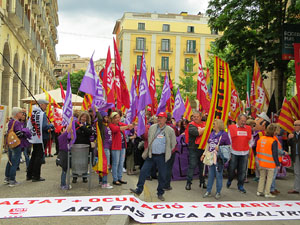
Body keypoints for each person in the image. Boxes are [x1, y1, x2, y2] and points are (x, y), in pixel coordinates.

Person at [130, 112, 176, 201]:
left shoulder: (170, 130)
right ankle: (139, 189)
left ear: (166, 119)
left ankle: (160, 193)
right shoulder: (152, 127)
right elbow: (147, 137)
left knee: (162, 175)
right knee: (143, 171)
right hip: (151, 155)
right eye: (158, 117)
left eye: (162, 118)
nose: (159, 119)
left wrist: (167, 151)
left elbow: (173, 143)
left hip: (162, 156)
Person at [202, 119, 231, 199]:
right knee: (210, 175)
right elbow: (208, 145)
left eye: (214, 124)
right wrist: (204, 154)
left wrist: (220, 148)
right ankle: (208, 191)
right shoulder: (212, 134)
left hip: (219, 158)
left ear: (218, 125)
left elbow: (229, 147)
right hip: (210, 157)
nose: (213, 126)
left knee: (219, 175)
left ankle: (218, 192)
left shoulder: (224, 135)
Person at [27, 99, 54, 182]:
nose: (46, 107)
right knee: (38, 157)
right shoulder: (42, 114)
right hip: (42, 138)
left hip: (35, 138)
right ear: (41, 105)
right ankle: (36, 176)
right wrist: (51, 125)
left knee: (34, 156)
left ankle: (29, 174)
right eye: (45, 105)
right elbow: (44, 127)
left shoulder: (33, 113)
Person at [4, 107, 31, 187]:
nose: (22, 114)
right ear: (17, 114)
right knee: (15, 162)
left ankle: (7, 177)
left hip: (10, 143)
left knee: (10, 161)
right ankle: (12, 180)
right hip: (17, 144)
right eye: (20, 113)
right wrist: (25, 133)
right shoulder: (17, 123)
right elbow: (19, 133)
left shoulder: (11, 121)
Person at [226, 114, 252, 193]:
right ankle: (230, 179)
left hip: (244, 152)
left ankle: (240, 185)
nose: (243, 122)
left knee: (242, 170)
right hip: (234, 151)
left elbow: (251, 140)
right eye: (242, 121)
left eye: (245, 121)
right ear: (238, 120)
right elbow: (229, 140)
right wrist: (229, 151)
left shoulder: (248, 128)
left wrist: (249, 147)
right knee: (232, 169)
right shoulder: (232, 128)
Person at [256, 124, 280, 198]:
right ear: (274, 132)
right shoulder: (273, 141)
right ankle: (267, 192)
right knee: (269, 178)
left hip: (261, 162)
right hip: (270, 163)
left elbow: (257, 150)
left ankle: (259, 191)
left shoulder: (261, 139)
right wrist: (277, 164)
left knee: (262, 177)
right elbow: (275, 154)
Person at [109, 111, 133, 185]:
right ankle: (115, 179)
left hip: (122, 146)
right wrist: (127, 126)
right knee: (115, 163)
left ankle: (120, 177)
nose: (117, 119)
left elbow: (128, 127)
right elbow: (117, 129)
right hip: (116, 147)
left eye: (118, 117)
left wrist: (133, 125)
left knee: (121, 163)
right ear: (112, 119)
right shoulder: (111, 125)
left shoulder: (120, 124)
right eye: (115, 118)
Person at [185, 111, 206, 190]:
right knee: (192, 166)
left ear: (201, 117)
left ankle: (202, 182)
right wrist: (207, 127)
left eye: (197, 116)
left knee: (202, 167)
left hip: (203, 148)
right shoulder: (191, 125)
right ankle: (188, 183)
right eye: (194, 116)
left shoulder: (205, 124)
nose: (195, 118)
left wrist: (205, 127)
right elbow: (198, 133)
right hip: (193, 148)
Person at [95, 108, 113, 189]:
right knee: (106, 165)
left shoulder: (107, 125)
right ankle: (104, 183)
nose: (106, 118)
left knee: (102, 164)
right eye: (104, 117)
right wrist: (97, 111)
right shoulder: (101, 125)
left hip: (107, 147)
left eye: (107, 117)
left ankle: (101, 181)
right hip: (104, 148)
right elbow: (99, 119)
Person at [72, 111, 93, 183]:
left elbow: (89, 133)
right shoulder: (75, 124)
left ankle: (84, 176)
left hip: (86, 146)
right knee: (75, 161)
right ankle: (74, 176)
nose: (83, 118)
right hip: (76, 145)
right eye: (82, 117)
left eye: (85, 117)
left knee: (85, 161)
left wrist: (83, 127)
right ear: (80, 117)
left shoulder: (89, 125)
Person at [252, 112, 271, 182]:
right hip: (257, 150)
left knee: (260, 164)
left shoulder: (263, 133)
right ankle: (258, 175)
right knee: (257, 163)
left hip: (263, 151)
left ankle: (262, 177)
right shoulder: (257, 132)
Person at [57, 117, 74, 190]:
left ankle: (63, 183)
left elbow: (72, 138)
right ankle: (62, 184)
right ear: (61, 131)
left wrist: (72, 133)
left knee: (66, 169)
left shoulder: (65, 137)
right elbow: (68, 129)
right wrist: (71, 121)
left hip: (66, 153)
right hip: (63, 154)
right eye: (63, 129)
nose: (65, 129)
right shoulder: (62, 136)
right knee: (64, 170)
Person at [287, 120, 300, 194]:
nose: (294, 127)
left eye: (296, 125)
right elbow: (289, 144)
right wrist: (289, 138)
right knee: (297, 172)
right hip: (296, 155)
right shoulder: (293, 134)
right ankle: (296, 188)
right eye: (294, 125)